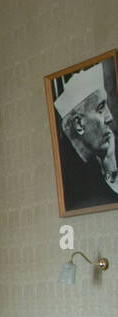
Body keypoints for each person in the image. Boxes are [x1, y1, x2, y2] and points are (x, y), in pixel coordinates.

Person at [53, 63, 118, 211]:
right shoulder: (70, 176)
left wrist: (110, 162)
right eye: (101, 108)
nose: (110, 117)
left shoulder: (112, 145)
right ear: (79, 125)